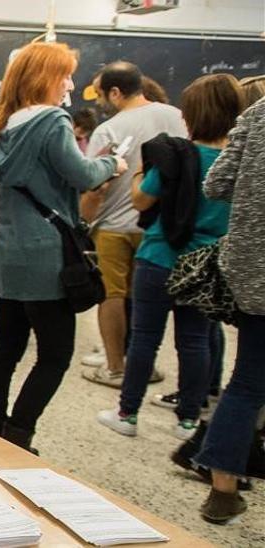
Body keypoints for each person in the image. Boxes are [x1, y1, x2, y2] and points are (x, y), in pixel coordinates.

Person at [0, 42, 125, 453]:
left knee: (5, 348)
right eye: (64, 75)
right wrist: (113, 164)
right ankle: (19, 434)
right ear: (46, 77)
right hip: (46, 255)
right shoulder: (53, 122)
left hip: (8, 252)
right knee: (56, 353)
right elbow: (80, 174)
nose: (71, 83)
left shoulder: (3, 127)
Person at [96, 74, 245, 441]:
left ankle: (127, 414)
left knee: (145, 337)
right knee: (195, 340)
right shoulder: (236, 163)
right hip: (206, 262)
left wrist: (139, 175)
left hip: (159, 256)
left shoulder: (176, 156)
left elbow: (141, 199)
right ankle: (188, 420)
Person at [81, 62, 188, 388]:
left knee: (110, 296)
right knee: (149, 300)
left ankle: (115, 367)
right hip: (160, 226)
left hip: (113, 224)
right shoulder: (175, 116)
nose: (100, 102)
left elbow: (94, 183)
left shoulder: (109, 129)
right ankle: (145, 365)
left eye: (101, 95)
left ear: (115, 92)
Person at [191, 94, 265, 525]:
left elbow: (216, 185)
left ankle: (223, 492)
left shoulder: (256, 114)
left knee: (247, 381)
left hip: (252, 269)